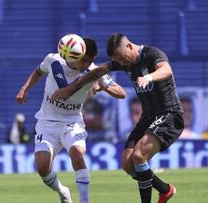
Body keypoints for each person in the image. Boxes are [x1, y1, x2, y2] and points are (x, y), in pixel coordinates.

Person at [51, 33, 184, 203]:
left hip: (169, 114)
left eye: (122, 59)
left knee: (139, 155)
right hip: (148, 117)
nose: (122, 63)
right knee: (128, 165)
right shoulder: (123, 61)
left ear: (128, 46)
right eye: (118, 61)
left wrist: (148, 77)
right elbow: (98, 71)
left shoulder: (152, 54)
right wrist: (72, 88)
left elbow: (166, 70)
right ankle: (165, 190)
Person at [16, 36, 126, 203]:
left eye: (91, 60)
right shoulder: (54, 60)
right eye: (86, 60)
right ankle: (62, 191)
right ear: (77, 55)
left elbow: (121, 93)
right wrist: (24, 89)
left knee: (77, 154)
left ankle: (84, 201)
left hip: (72, 122)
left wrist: (104, 86)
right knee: (43, 168)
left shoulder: (93, 71)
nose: (88, 64)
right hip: (47, 123)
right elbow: (39, 71)